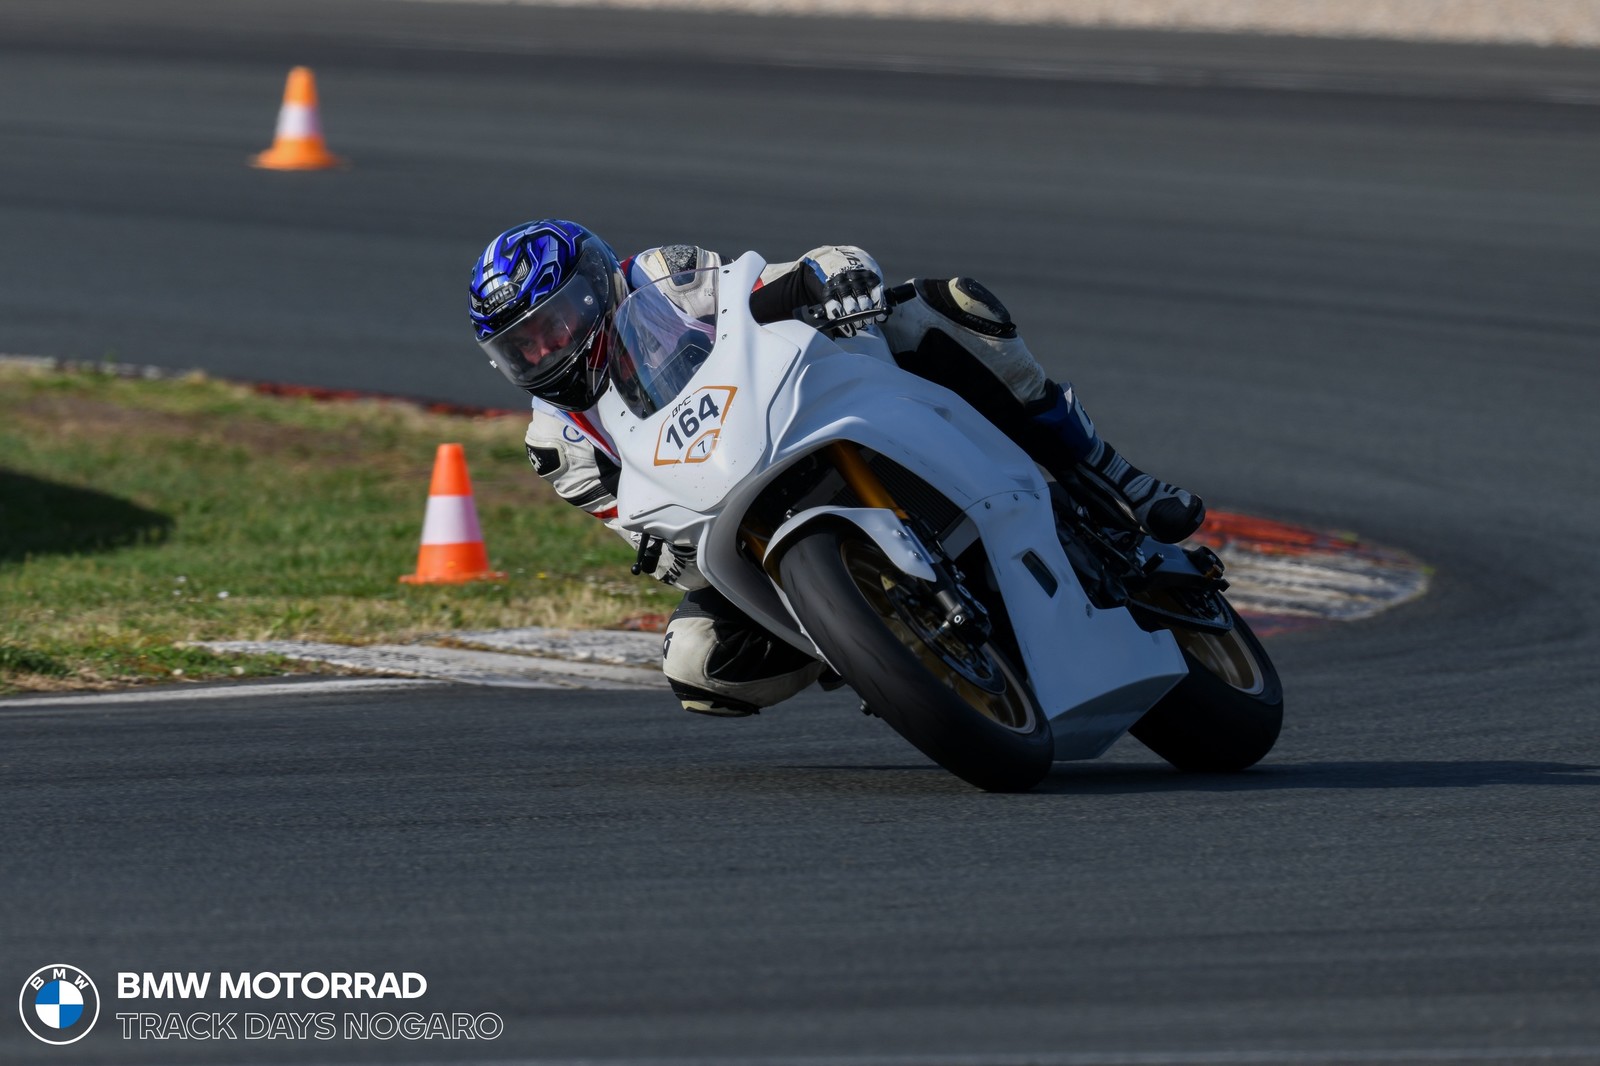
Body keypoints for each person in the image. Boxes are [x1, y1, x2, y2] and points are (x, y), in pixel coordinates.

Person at [468, 219, 1205, 716]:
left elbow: (754, 290)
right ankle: (867, 643)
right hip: (725, 510)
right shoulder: (556, 442)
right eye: (522, 347)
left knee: (938, 308)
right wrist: (671, 559)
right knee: (696, 665)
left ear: (596, 284)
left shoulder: (662, 277)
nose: (546, 351)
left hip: (786, 406)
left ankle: (1109, 474)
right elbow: (639, 534)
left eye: (554, 324)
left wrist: (828, 273)